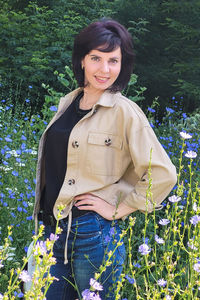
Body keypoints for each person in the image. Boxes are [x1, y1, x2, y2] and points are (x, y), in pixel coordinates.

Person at [33, 19, 177, 300]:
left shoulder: (125, 111)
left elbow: (164, 173)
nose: (105, 69)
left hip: (92, 234)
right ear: (82, 61)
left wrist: (118, 208)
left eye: (114, 61)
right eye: (96, 58)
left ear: (123, 65)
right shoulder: (68, 103)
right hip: (52, 230)